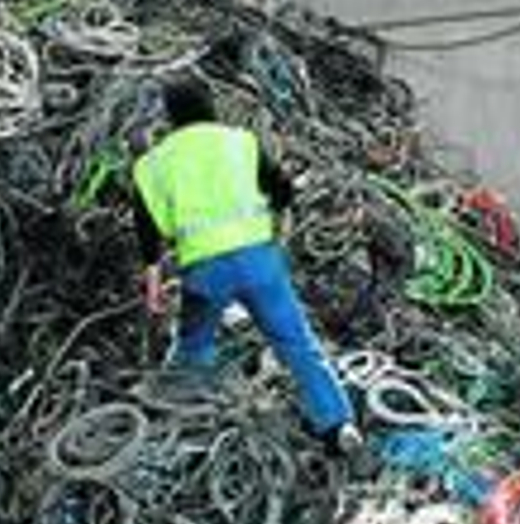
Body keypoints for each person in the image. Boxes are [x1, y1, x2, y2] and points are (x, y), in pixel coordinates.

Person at [132, 77, 363, 455]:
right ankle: (338, 425)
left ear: (171, 115)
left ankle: (174, 428)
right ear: (210, 106)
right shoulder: (240, 142)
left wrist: (154, 282)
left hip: (205, 270)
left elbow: (146, 230)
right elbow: (284, 190)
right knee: (298, 344)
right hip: (260, 261)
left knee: (194, 347)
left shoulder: (153, 164)